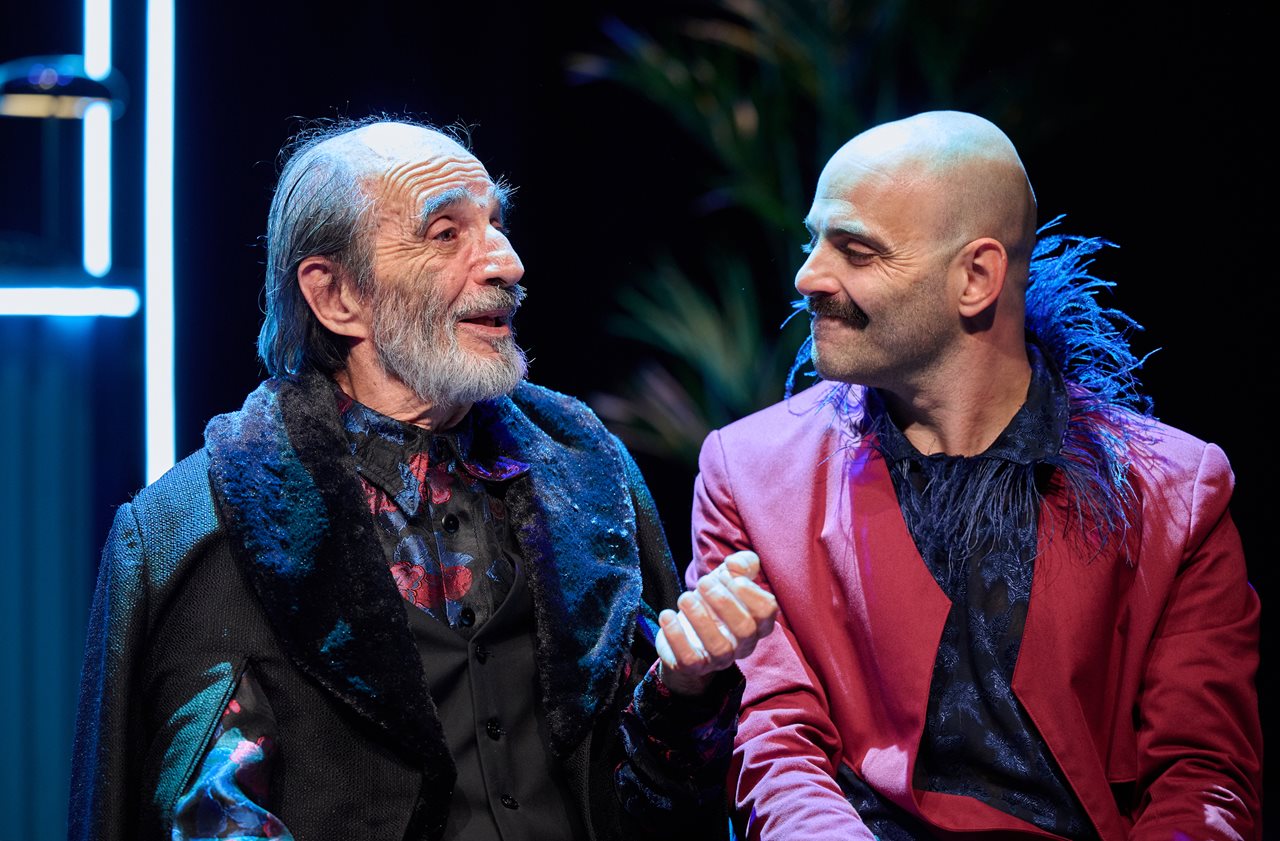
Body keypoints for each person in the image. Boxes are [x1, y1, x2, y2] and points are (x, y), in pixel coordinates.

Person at [69, 118, 777, 841]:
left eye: (496, 224)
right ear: (336, 295)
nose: (507, 263)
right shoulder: (207, 526)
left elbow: (661, 801)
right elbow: (204, 813)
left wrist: (688, 687)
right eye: (446, 233)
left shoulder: (588, 476)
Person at [689, 111, 1261, 840]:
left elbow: (1202, 778)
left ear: (976, 277)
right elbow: (775, 744)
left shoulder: (1175, 493)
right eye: (813, 240)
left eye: (856, 251)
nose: (807, 276)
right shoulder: (750, 474)